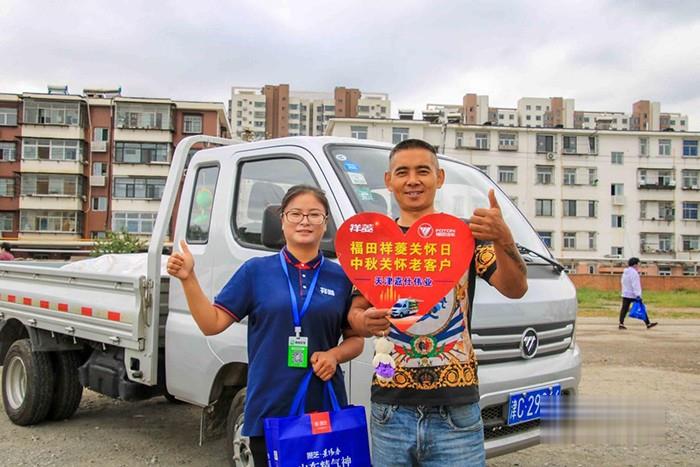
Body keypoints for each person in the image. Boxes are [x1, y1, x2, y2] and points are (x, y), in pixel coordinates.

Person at [347, 139, 528, 466]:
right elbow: (355, 312)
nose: (412, 180)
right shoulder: (376, 242)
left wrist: (504, 239)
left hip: (456, 409)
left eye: (422, 171)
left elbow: (515, 288)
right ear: (389, 181)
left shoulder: (463, 236)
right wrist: (363, 321)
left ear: (439, 177)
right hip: (391, 409)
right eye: (402, 172)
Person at [167, 185, 364, 465]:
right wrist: (189, 278)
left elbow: (356, 340)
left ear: (325, 223)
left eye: (314, 214)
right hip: (269, 405)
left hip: (324, 406)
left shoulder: (341, 278)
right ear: (282, 221)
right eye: (295, 214)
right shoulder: (255, 271)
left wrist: (334, 355)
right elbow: (212, 323)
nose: (305, 221)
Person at [619, 257, 657, 330]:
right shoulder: (634, 273)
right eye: (638, 264)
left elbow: (623, 282)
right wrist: (638, 294)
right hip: (633, 294)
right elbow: (635, 284)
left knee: (624, 309)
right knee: (641, 308)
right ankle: (648, 323)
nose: (638, 266)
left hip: (626, 293)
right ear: (635, 264)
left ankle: (621, 323)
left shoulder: (625, 273)